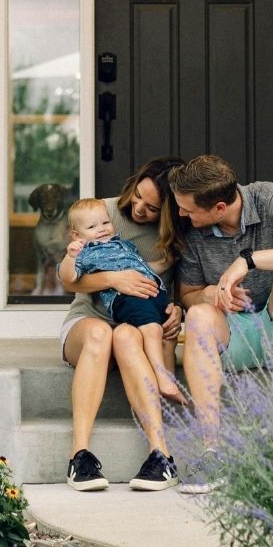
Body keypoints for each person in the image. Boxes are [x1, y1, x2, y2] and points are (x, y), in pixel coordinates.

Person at [168, 154, 273, 490]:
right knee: (199, 314)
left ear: (218, 207)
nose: (181, 214)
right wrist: (211, 294)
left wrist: (249, 261)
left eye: (187, 208)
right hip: (235, 335)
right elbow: (188, 295)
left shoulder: (269, 198)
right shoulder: (192, 232)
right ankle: (212, 451)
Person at [59, 157, 185, 493]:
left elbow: (179, 289)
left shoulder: (174, 234)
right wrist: (115, 278)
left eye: (153, 207)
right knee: (103, 332)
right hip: (89, 323)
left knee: (126, 334)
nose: (139, 208)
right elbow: (70, 281)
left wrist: (178, 310)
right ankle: (79, 456)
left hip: (137, 324)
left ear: (171, 211)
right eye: (138, 196)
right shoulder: (102, 212)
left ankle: (161, 456)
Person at [58, 197, 183, 404]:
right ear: (77, 235)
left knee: (165, 333)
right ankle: (163, 378)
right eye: (92, 226)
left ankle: (164, 410)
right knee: (152, 330)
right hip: (126, 298)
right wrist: (70, 257)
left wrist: (167, 262)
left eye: (105, 223)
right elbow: (68, 278)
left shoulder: (123, 245)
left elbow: (145, 269)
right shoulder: (86, 253)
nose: (102, 229)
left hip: (152, 294)